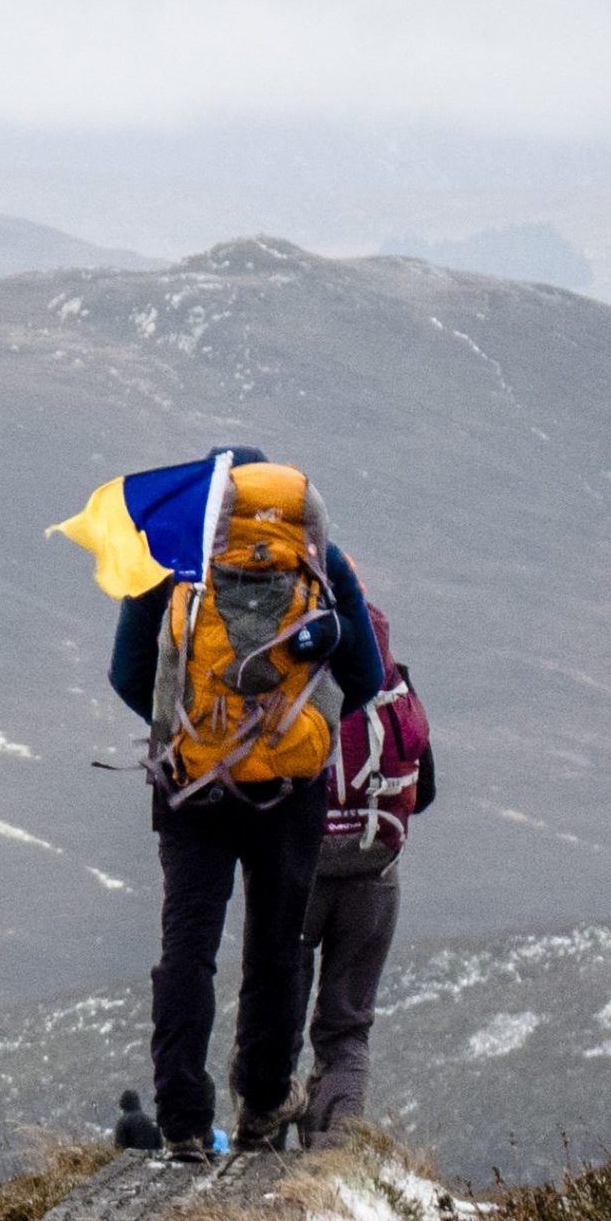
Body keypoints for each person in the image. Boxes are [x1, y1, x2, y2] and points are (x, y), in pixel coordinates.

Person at [106, 446, 382, 1160]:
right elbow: (369, 677)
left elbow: (127, 670)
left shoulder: (174, 556)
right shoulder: (321, 558)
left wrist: (188, 735)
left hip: (191, 787)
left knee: (188, 947)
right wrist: (298, 732)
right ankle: (262, 1106)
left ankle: (184, 1119)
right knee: (277, 947)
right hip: (290, 792)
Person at [293, 605, 435, 1146]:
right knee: (347, 1029)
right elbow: (425, 794)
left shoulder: (301, 684)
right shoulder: (400, 694)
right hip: (375, 878)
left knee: (278, 1013)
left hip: (301, 876)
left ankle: (258, 1148)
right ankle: (332, 1157)